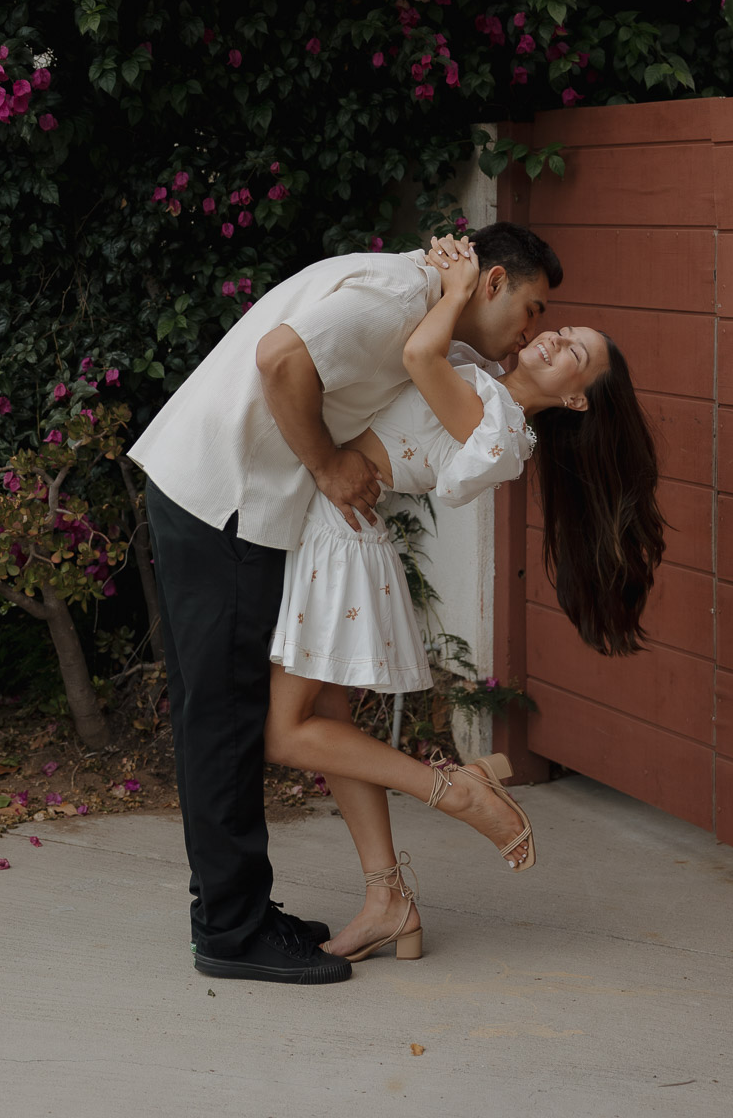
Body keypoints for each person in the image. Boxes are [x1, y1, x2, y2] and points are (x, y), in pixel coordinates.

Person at [128, 223, 561, 985]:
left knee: (231, 715)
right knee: (225, 720)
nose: (533, 330)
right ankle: (230, 932)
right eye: (532, 309)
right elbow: (281, 357)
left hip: (244, 498)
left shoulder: (423, 306)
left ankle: (241, 913)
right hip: (227, 496)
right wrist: (326, 464)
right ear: (493, 282)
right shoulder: (397, 300)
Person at [265, 233, 665, 963]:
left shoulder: (500, 430)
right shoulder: (484, 377)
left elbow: (420, 354)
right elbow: (430, 335)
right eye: (559, 329)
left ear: (575, 397)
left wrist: (455, 288)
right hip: (338, 529)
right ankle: (387, 900)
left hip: (336, 538)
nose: (552, 339)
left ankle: (455, 790)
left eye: (573, 353)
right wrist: (455, 267)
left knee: (284, 733)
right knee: (327, 725)